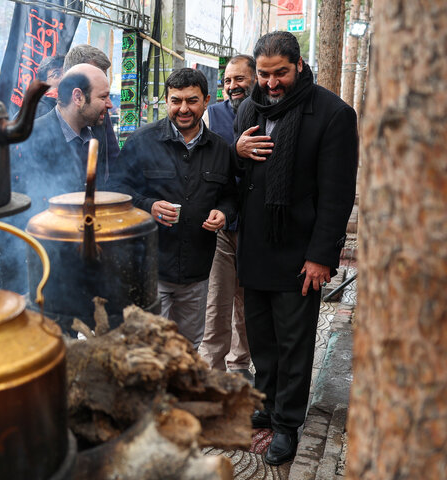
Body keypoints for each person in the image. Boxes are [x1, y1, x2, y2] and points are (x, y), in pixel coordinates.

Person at [233, 31, 358, 465]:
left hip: (299, 251)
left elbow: (338, 193)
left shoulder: (332, 114)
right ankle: (266, 406)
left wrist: (322, 255)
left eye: (279, 73)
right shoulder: (249, 107)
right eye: (263, 74)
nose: (270, 83)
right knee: (262, 339)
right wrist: (237, 150)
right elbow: (235, 176)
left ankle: (287, 423)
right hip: (255, 247)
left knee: (294, 341)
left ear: (299, 65)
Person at [109, 68, 238, 349]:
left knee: (188, 347)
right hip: (151, 269)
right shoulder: (142, 142)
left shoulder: (220, 149)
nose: (183, 108)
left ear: (206, 101)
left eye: (192, 101)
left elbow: (230, 196)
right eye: (176, 100)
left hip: (197, 272)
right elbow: (115, 190)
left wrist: (224, 213)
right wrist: (148, 206)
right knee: (149, 347)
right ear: (166, 101)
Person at [0, 63, 113, 293]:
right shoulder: (32, 137)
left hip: (72, 266)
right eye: (103, 96)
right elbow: (11, 214)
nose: (110, 104)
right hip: (29, 266)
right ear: (78, 97)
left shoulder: (97, 134)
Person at [198, 55, 257, 380]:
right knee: (217, 300)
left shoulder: (267, 112)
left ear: (254, 80)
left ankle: (239, 364)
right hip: (221, 223)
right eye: (228, 81)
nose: (233, 86)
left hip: (256, 227)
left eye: (240, 79)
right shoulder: (213, 114)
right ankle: (212, 370)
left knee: (247, 303)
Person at [63, 44, 119, 175]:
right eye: (95, 74)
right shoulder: (38, 119)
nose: (102, 79)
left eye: (103, 75)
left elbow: (113, 159)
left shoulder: (100, 113)